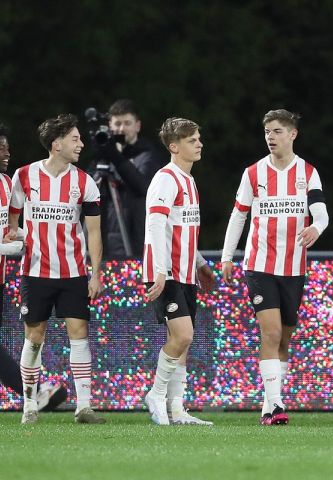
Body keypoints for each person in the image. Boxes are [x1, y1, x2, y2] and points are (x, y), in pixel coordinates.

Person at [221, 109, 329, 426]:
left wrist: (316, 229)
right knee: (269, 333)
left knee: (283, 339)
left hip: (294, 268)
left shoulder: (307, 173)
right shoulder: (253, 173)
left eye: (278, 131)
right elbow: (239, 215)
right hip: (259, 266)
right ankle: (278, 404)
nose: (271, 136)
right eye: (267, 131)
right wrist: (228, 256)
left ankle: (268, 407)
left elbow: (321, 214)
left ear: (293, 134)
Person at [8, 114, 105, 424]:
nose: (81, 144)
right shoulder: (23, 177)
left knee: (79, 334)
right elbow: (11, 223)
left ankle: (84, 408)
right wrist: (16, 236)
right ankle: (29, 407)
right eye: (75, 139)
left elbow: (93, 232)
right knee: (34, 338)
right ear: (56, 143)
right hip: (35, 273)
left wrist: (96, 272)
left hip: (73, 272)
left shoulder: (84, 181)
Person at [142, 117, 215, 426]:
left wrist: (199, 263)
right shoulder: (166, 179)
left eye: (198, 138)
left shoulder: (189, 180)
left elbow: (182, 229)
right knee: (183, 335)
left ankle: (177, 409)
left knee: (182, 341)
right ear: (174, 147)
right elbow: (155, 224)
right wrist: (160, 271)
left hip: (185, 272)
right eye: (191, 139)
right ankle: (155, 395)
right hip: (167, 272)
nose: (198, 143)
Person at [0, 123, 67, 411]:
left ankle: (35, 392)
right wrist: (13, 247)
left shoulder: (5, 182)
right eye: (0, 147)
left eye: (7, 146)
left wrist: (32, 236)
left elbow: (8, 230)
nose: (7, 152)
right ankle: (36, 392)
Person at [88, 99, 165, 258]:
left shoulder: (147, 156)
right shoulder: (102, 159)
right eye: (117, 124)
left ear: (137, 126)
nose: (121, 129)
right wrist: (102, 155)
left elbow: (142, 186)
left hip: (135, 242)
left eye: (127, 123)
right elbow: (84, 192)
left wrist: (115, 156)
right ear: (110, 126)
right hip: (104, 241)